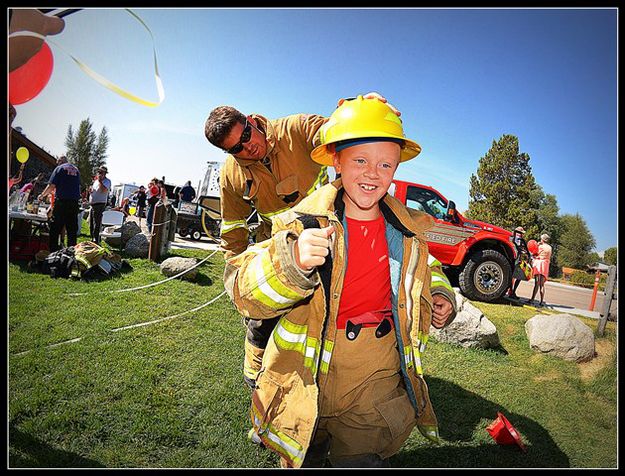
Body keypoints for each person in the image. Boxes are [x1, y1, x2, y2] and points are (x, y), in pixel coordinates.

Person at [223, 96, 457, 468]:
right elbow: (242, 289)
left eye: (385, 164)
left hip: (373, 377)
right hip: (305, 378)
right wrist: (292, 263)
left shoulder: (407, 231)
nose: (372, 173)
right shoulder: (300, 227)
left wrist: (442, 293)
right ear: (337, 162)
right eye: (359, 161)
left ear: (397, 167)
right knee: (305, 456)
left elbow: (425, 265)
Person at [204, 102, 332, 397]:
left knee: (325, 315)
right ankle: (256, 381)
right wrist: (238, 275)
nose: (247, 149)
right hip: (277, 250)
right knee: (261, 319)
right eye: (236, 149)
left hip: (327, 240)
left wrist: (363, 111)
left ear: (251, 121)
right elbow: (233, 228)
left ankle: (319, 384)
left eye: (246, 136)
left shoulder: (296, 129)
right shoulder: (231, 175)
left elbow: (336, 132)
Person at [38, 156, 80, 252]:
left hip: (62, 202)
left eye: (57, 162)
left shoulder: (59, 168)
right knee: (71, 230)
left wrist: (42, 195)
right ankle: (71, 254)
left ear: (60, 162)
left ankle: (53, 253)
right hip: (74, 203)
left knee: (55, 228)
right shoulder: (76, 170)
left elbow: (51, 186)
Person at [88, 165, 111, 244]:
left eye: (101, 172)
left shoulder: (107, 181)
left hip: (99, 204)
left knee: (97, 223)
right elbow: (94, 191)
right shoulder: (96, 181)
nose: (99, 174)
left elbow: (104, 190)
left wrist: (100, 181)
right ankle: (92, 239)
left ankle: (96, 240)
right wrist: (90, 191)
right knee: (91, 224)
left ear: (105, 173)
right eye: (99, 172)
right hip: (93, 204)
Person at [506, 226, 531, 299]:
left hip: (512, 258)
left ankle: (510, 291)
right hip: (519, 259)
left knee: (512, 276)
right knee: (519, 276)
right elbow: (521, 249)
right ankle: (512, 292)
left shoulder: (511, 237)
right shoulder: (520, 239)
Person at [528, 233, 552, 307]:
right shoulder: (550, 247)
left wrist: (537, 245)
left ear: (542, 239)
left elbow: (534, 253)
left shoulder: (540, 246)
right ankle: (541, 301)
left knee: (536, 283)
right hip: (545, 265)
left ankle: (532, 299)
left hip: (539, 264)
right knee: (542, 285)